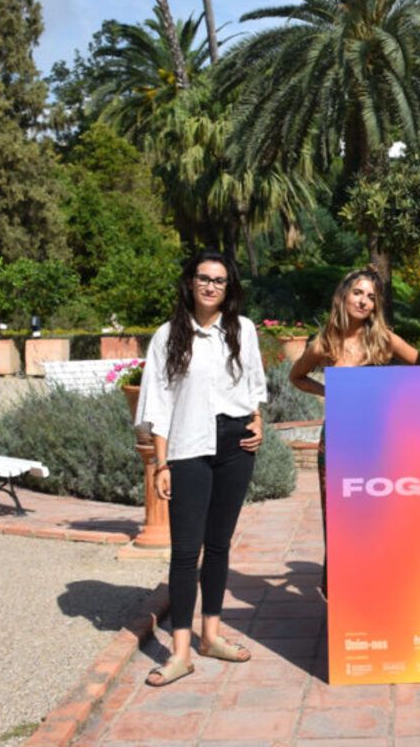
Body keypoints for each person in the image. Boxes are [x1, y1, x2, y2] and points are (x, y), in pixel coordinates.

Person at [136, 251, 268, 686]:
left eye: (220, 280)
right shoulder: (168, 335)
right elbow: (158, 401)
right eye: (204, 278)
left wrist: (258, 423)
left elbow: (254, 385)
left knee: (218, 546)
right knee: (184, 551)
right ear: (190, 282)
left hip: (235, 445)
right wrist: (161, 461)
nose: (211, 286)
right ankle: (179, 653)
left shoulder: (243, 330)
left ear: (229, 288)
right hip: (189, 446)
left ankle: (210, 636)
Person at [289, 268, 420, 593]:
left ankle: (381, 592)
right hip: (338, 443)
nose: (364, 301)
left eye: (371, 297)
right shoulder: (324, 343)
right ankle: (342, 598)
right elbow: (296, 376)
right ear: (344, 296)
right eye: (358, 293)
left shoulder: (383, 339)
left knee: (381, 522)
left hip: (381, 442)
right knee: (340, 523)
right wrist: (325, 392)